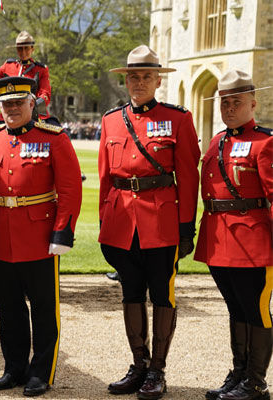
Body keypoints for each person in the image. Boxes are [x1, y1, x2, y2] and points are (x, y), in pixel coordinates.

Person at [98, 45, 200, 399]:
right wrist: (104, 224)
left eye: (146, 76)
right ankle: (138, 364)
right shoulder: (111, 119)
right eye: (133, 76)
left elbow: (188, 176)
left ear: (158, 80)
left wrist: (187, 228)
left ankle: (158, 369)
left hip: (161, 223)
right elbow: (105, 176)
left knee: (162, 295)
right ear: (126, 80)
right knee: (130, 293)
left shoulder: (178, 119)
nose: (139, 82)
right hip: (122, 222)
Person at [0, 76, 82, 396]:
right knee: (9, 309)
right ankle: (14, 367)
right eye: (6, 104)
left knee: (43, 309)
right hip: (2, 238)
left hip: (40, 237)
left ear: (31, 104)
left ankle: (42, 372)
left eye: (18, 103)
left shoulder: (53, 137)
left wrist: (63, 231)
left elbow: (69, 188)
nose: (12, 109)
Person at [194, 70, 273, 400]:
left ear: (253, 103)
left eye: (236, 102)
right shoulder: (217, 141)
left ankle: (256, 382)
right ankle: (238, 373)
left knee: (255, 310)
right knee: (236, 309)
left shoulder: (266, 142)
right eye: (224, 102)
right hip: (219, 240)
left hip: (252, 242)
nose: (228, 107)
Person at [0, 31, 52, 117]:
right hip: (10, 113)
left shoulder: (41, 69)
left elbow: (45, 94)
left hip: (33, 114)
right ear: (16, 49)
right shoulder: (8, 66)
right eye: (20, 49)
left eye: (26, 48)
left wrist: (32, 106)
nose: (23, 52)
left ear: (32, 49)